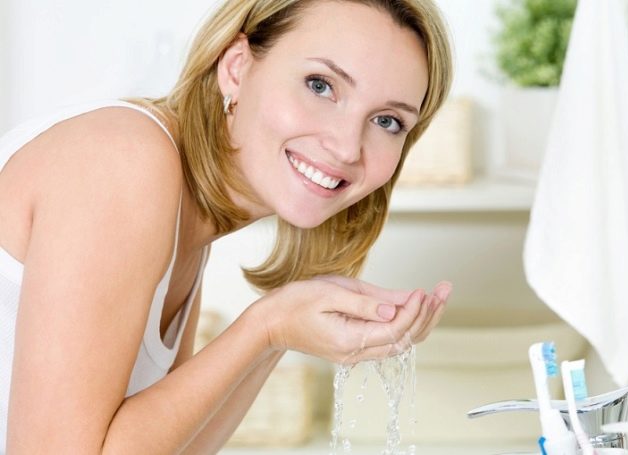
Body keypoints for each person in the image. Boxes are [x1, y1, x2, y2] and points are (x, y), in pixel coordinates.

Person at [0, 0, 453, 452]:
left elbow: (176, 448)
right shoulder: (124, 160)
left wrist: (278, 335)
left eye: (387, 121)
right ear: (236, 67)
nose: (347, 146)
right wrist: (266, 326)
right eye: (320, 85)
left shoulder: (188, 220)